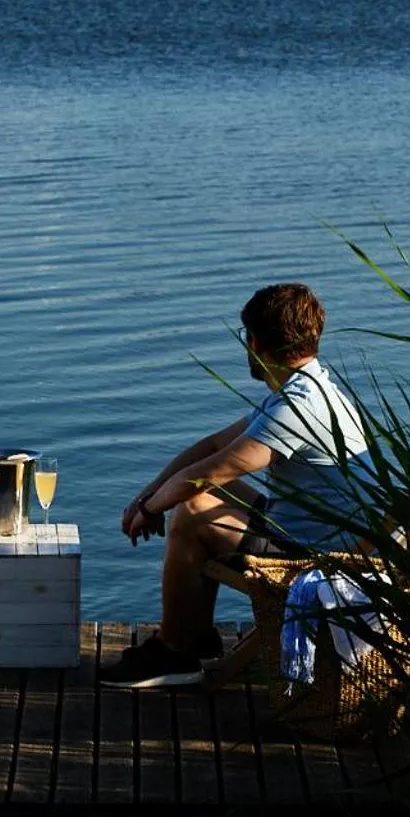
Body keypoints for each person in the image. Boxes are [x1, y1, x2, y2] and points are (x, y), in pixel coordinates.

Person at [100, 282, 372, 689]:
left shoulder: (298, 406)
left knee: (192, 511)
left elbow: (209, 473)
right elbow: (211, 447)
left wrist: (152, 510)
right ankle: (198, 636)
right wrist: (148, 495)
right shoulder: (309, 387)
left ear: (255, 342)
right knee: (201, 496)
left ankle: (176, 650)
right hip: (313, 528)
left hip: (321, 555)